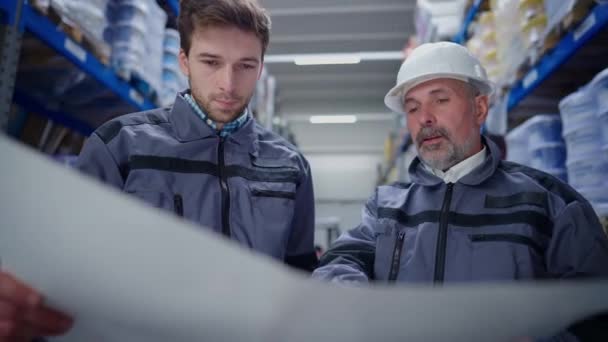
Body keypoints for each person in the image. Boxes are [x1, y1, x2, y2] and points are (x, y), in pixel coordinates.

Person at [0, 0, 316, 340]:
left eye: (245, 66)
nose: (228, 83)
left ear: (260, 66)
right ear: (184, 61)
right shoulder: (119, 146)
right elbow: (66, 273)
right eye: (211, 62)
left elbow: (299, 280)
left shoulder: (289, 166)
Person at [313, 42, 608, 339]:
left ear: (479, 108)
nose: (424, 118)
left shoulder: (549, 202)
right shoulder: (386, 208)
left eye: (440, 100)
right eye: (412, 107)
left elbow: (595, 310)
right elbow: (339, 263)